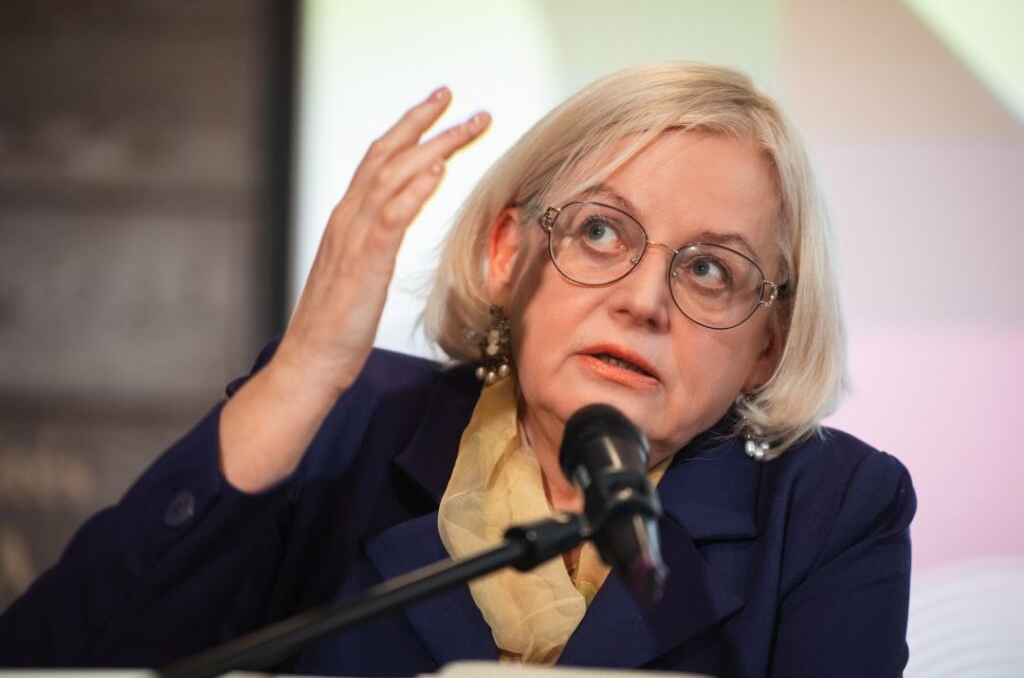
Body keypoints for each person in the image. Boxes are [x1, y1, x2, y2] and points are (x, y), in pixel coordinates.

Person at [0, 62, 915, 676]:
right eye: (601, 230)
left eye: (711, 269)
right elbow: (60, 661)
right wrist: (306, 370)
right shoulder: (347, 433)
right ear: (507, 252)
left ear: (766, 341)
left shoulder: (831, 511)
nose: (645, 300)